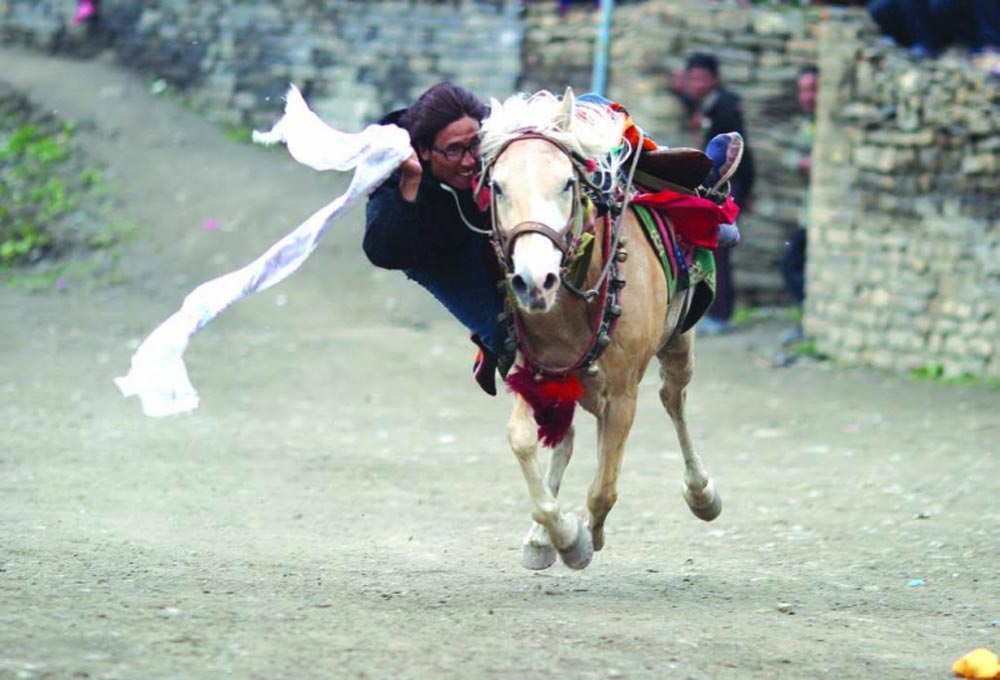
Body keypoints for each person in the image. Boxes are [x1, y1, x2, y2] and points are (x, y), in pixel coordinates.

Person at [364, 82, 509, 396]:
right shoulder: (393, 169)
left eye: (475, 145)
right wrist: (411, 182)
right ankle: (487, 345)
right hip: (434, 250)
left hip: (487, 220)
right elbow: (382, 252)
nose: (470, 161)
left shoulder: (493, 138)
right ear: (425, 150)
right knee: (505, 333)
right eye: (455, 150)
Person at [674, 52, 755, 335]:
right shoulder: (706, 105)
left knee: (719, 249)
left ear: (714, 80)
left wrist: (744, 193)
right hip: (713, 189)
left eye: (701, 78)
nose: (696, 84)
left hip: (726, 190)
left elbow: (742, 157)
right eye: (691, 79)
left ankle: (721, 315)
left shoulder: (727, 110)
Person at [778, 65, 818, 355]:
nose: (807, 96)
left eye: (812, 89)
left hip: (820, 217)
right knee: (792, 265)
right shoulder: (809, 125)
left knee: (794, 264)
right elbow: (793, 156)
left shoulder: (827, 125)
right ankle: (808, 320)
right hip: (810, 214)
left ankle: (810, 323)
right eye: (803, 90)